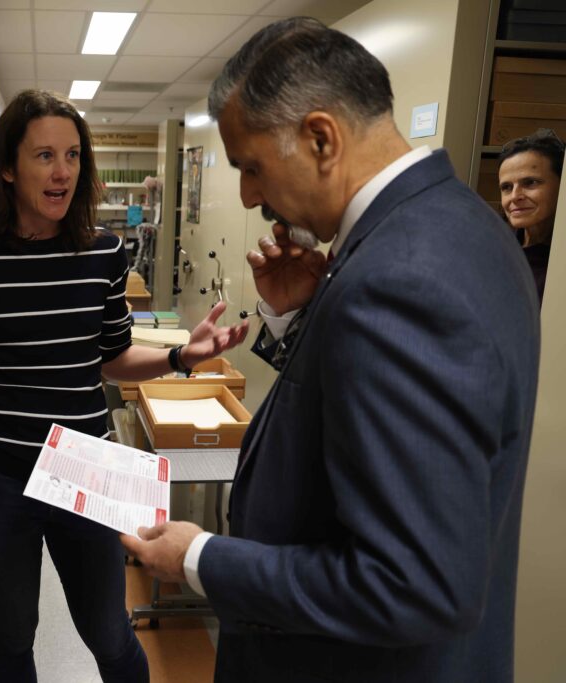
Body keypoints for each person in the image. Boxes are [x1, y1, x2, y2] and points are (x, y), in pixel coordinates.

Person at [121, 17, 540, 683]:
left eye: (251, 167)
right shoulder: (460, 226)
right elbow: (365, 430)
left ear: (320, 137)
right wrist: (298, 320)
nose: (249, 196)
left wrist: (202, 556)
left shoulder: (402, 275)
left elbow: (415, 583)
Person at [0, 89, 249, 683]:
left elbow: (112, 357)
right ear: (8, 167)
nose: (62, 172)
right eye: (43, 156)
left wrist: (181, 356)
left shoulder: (104, 253)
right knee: (11, 635)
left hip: (85, 464)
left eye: (73, 155)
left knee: (109, 632)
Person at [498, 127, 563, 305]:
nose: (515, 196)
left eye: (530, 182)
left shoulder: (557, 263)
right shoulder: (492, 246)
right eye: (507, 187)